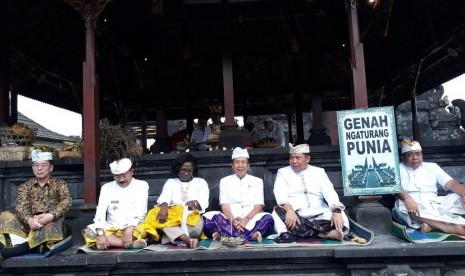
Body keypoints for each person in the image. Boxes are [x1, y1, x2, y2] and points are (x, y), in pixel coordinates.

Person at [0, 150, 71, 259]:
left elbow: (66, 202)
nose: (39, 168)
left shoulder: (60, 184)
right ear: (32, 168)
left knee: (52, 226)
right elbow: (20, 206)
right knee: (5, 215)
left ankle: (18, 250)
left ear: (51, 167)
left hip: (50, 222)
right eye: (36, 165)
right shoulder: (25, 186)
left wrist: (50, 216)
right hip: (30, 224)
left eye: (43, 165)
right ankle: (29, 244)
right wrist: (30, 220)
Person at [272, 143, 349, 243]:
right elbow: (280, 193)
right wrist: (289, 210)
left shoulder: (319, 172)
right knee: (277, 211)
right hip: (296, 215)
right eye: (291, 158)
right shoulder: (283, 172)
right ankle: (324, 234)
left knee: (340, 214)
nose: (294, 161)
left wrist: (336, 211)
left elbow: (330, 192)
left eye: (298, 158)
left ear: (307, 159)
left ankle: (301, 233)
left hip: (320, 214)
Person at [392, 139, 465, 235]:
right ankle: (450, 227)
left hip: (436, 204)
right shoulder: (396, 169)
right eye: (410, 154)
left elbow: (451, 184)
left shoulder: (432, 167)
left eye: (418, 154)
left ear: (422, 155)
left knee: (459, 195)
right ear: (403, 157)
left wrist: (464, 193)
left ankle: (431, 226)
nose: (415, 157)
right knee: (403, 206)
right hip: (413, 205)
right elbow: (395, 185)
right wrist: (407, 198)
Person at [203, 147, 274, 242]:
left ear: (248, 165)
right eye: (237, 162)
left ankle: (227, 236)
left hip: (251, 218)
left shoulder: (257, 181)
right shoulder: (224, 181)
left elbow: (258, 206)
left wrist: (245, 220)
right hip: (230, 219)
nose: (240, 165)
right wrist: (233, 221)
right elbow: (225, 206)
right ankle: (251, 236)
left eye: (243, 162)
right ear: (232, 165)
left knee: (268, 218)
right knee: (209, 217)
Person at [144, 154, 209, 249]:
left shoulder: (200, 182)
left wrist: (195, 203)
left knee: (165, 229)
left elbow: (204, 201)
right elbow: (164, 196)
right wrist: (164, 207)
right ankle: (187, 240)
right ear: (178, 169)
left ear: (193, 171)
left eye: (189, 171)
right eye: (183, 170)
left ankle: (168, 237)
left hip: (193, 223)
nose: (186, 173)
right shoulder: (171, 182)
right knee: (157, 217)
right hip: (173, 221)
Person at [82, 158, 149, 250]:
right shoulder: (106, 188)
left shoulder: (142, 185)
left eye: (124, 176)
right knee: (88, 231)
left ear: (131, 172)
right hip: (111, 228)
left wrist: (129, 230)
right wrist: (100, 233)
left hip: (133, 227)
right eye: (117, 177)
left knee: (146, 227)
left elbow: (141, 213)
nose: (121, 180)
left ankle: (112, 243)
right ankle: (128, 244)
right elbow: (100, 213)